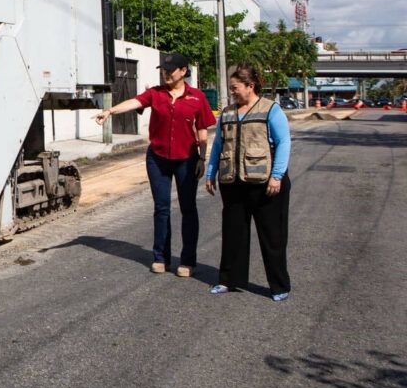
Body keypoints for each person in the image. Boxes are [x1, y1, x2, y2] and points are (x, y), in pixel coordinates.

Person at [95, 53, 216, 276]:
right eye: (164, 70)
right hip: (158, 159)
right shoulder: (156, 94)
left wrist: (202, 157)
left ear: (184, 71)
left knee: (188, 209)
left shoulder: (197, 97)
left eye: (171, 69)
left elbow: (202, 130)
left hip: (186, 160)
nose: (166, 73)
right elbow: (135, 102)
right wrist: (110, 111)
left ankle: (187, 261)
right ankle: (161, 257)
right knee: (161, 209)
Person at [204, 63, 292, 302]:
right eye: (231, 88)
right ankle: (227, 280)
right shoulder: (228, 113)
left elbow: (284, 142)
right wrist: (210, 173)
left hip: (265, 183)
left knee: (272, 237)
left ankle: (278, 286)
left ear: (250, 86)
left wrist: (277, 176)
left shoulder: (270, 110)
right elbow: (219, 145)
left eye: (235, 87)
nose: (232, 92)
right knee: (233, 233)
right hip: (233, 182)